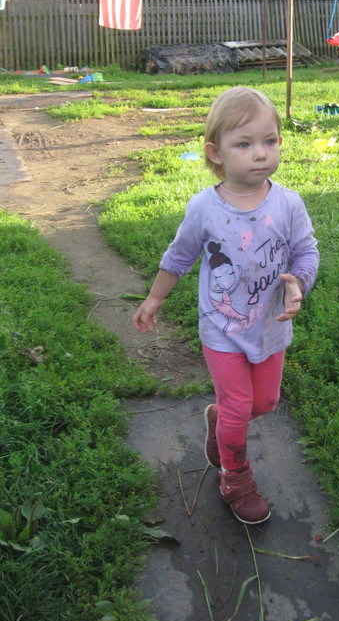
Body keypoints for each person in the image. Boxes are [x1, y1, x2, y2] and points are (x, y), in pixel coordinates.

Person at [133, 86, 319, 524]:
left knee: (264, 403)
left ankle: (218, 419)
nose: (261, 153)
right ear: (215, 153)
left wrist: (299, 283)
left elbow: (306, 251)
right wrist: (155, 298)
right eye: (244, 144)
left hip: (269, 327)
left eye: (269, 141)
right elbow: (178, 257)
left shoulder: (288, 203)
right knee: (239, 406)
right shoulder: (205, 207)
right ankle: (235, 477)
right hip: (222, 330)